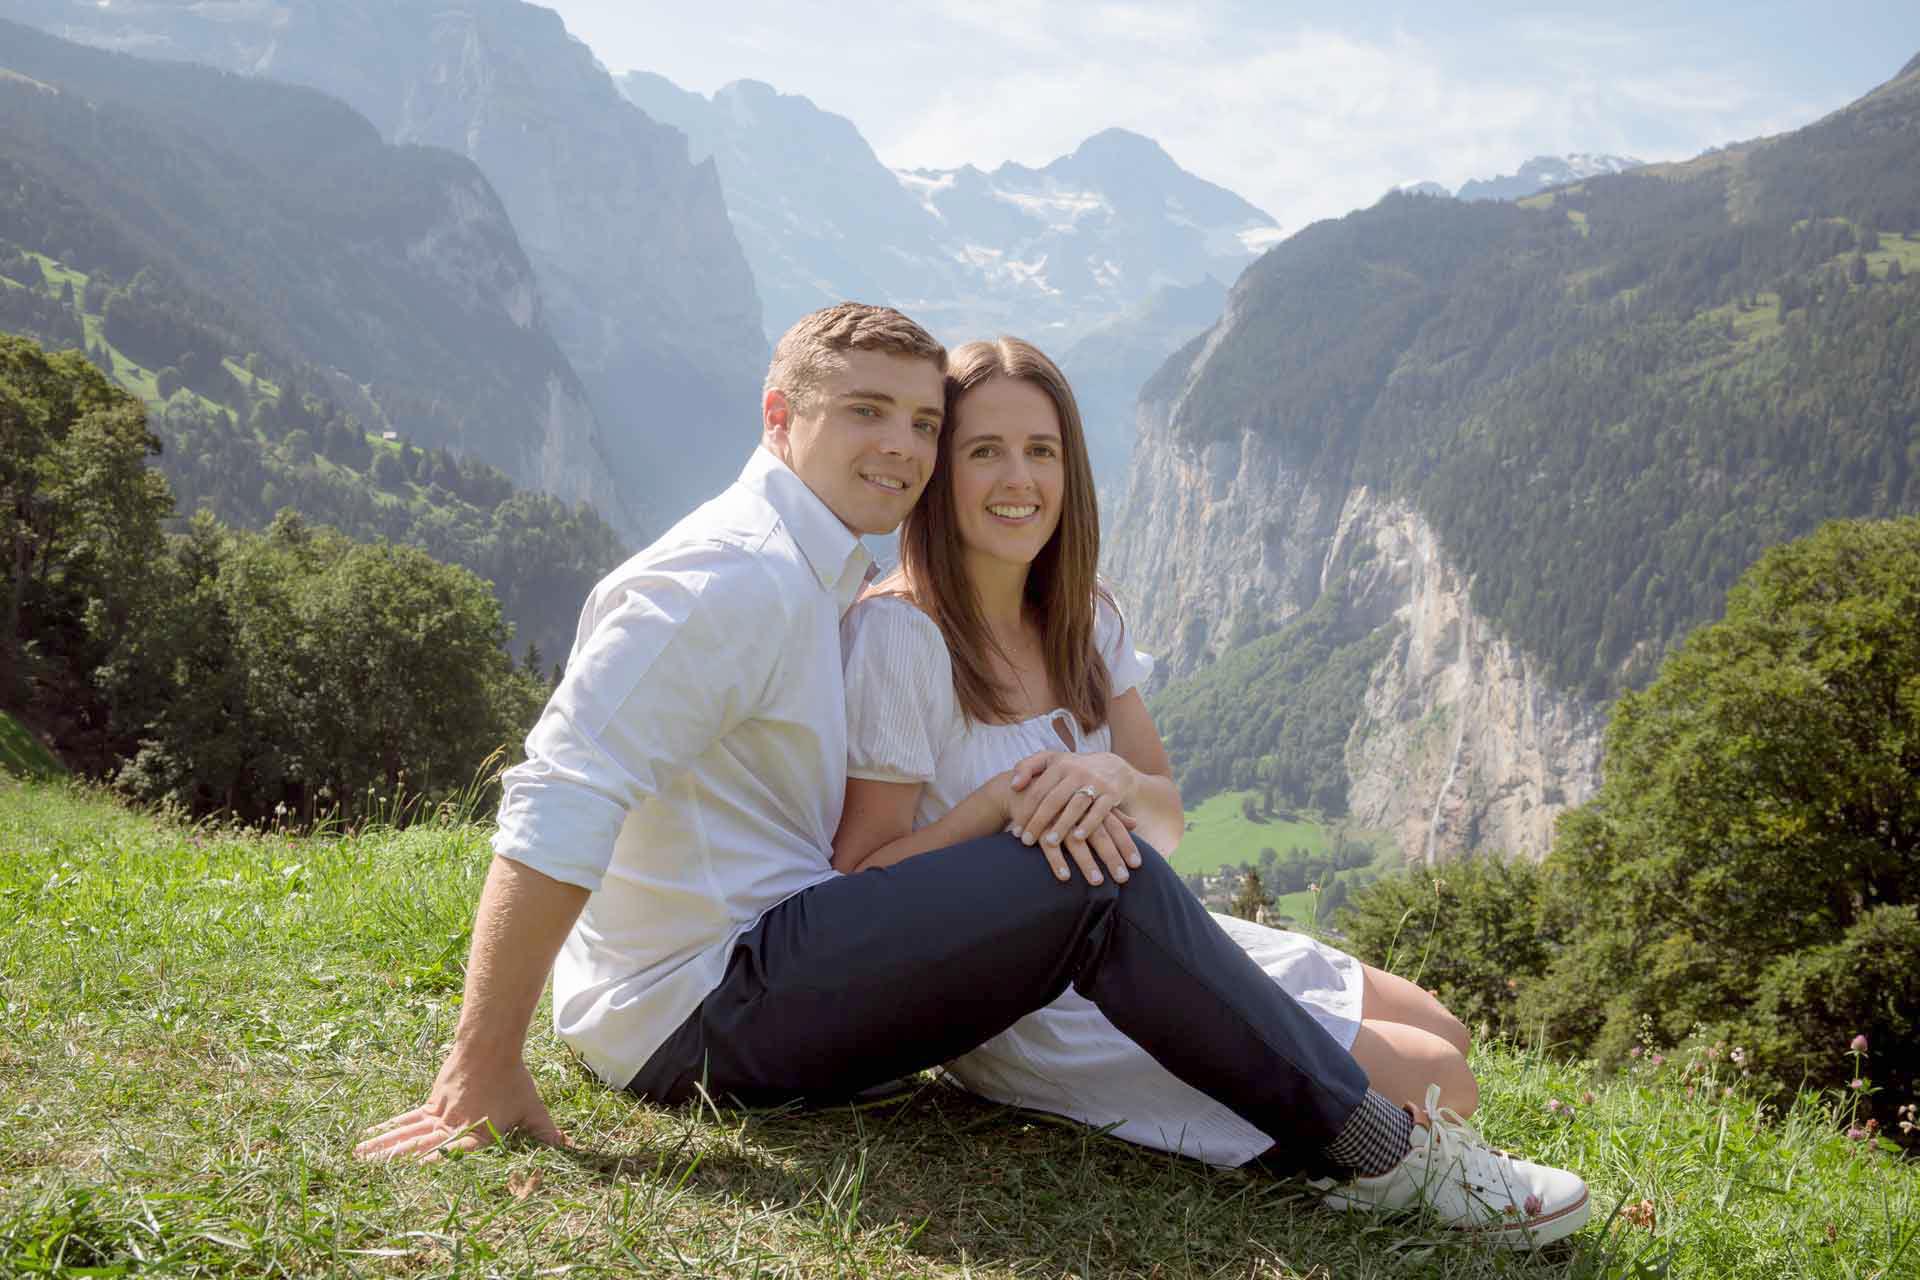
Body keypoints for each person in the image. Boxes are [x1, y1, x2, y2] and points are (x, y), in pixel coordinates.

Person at [353, 302, 1576, 1249]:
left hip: (763, 953)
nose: (902, 446)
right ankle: (1375, 1155)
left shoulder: (811, 568)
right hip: (702, 1003)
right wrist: (480, 1061)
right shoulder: (724, 577)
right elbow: (561, 790)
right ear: (780, 416)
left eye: (919, 422)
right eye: (866, 414)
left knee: (1090, 864)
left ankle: (1367, 1136)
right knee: (1083, 879)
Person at [832, 336, 1591, 1246]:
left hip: (1142, 934)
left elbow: (1168, 819)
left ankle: (1335, 1115)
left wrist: (1115, 776)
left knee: (1442, 1029)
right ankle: (1360, 1158)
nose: (1017, 480)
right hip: (1024, 995)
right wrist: (989, 810)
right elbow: (862, 885)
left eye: (1041, 450)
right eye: (983, 451)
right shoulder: (901, 636)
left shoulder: (1082, 615)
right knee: (1442, 1082)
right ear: (939, 472)